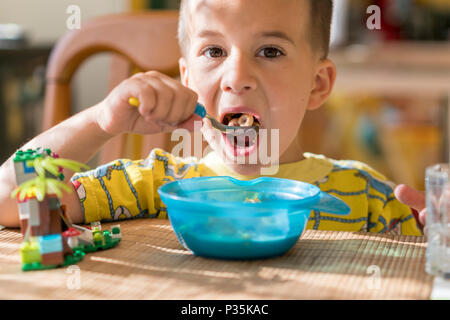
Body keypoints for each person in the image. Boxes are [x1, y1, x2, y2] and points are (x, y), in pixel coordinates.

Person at [0, 0, 425, 235]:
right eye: (214, 52)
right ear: (186, 79)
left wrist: (436, 232)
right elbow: (9, 201)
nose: (236, 78)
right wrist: (100, 121)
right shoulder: (154, 186)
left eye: (270, 51)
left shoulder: (368, 198)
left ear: (318, 85)